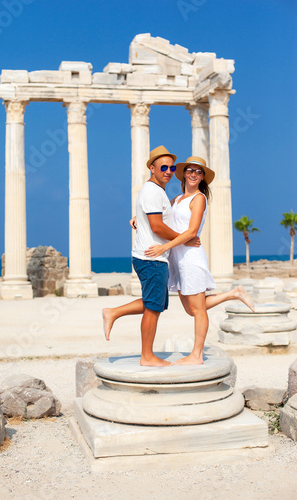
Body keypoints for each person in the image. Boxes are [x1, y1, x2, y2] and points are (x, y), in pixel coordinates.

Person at [144, 156, 255, 365]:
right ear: (184, 173)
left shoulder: (199, 198)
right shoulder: (176, 199)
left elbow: (192, 231)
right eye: (190, 170)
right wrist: (137, 218)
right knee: (190, 309)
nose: (193, 174)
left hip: (191, 257)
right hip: (178, 259)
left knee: (197, 310)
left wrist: (164, 247)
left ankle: (196, 355)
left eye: (198, 172)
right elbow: (156, 215)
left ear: (202, 177)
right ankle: (234, 293)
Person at [102, 146, 200, 367]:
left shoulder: (156, 191)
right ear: (152, 168)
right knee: (154, 308)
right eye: (163, 167)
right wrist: (185, 238)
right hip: (152, 257)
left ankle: (113, 312)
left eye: (172, 167)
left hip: (151, 256)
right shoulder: (153, 191)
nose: (168, 171)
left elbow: (153, 219)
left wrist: (138, 217)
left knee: (154, 303)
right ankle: (147, 356)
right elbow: (157, 227)